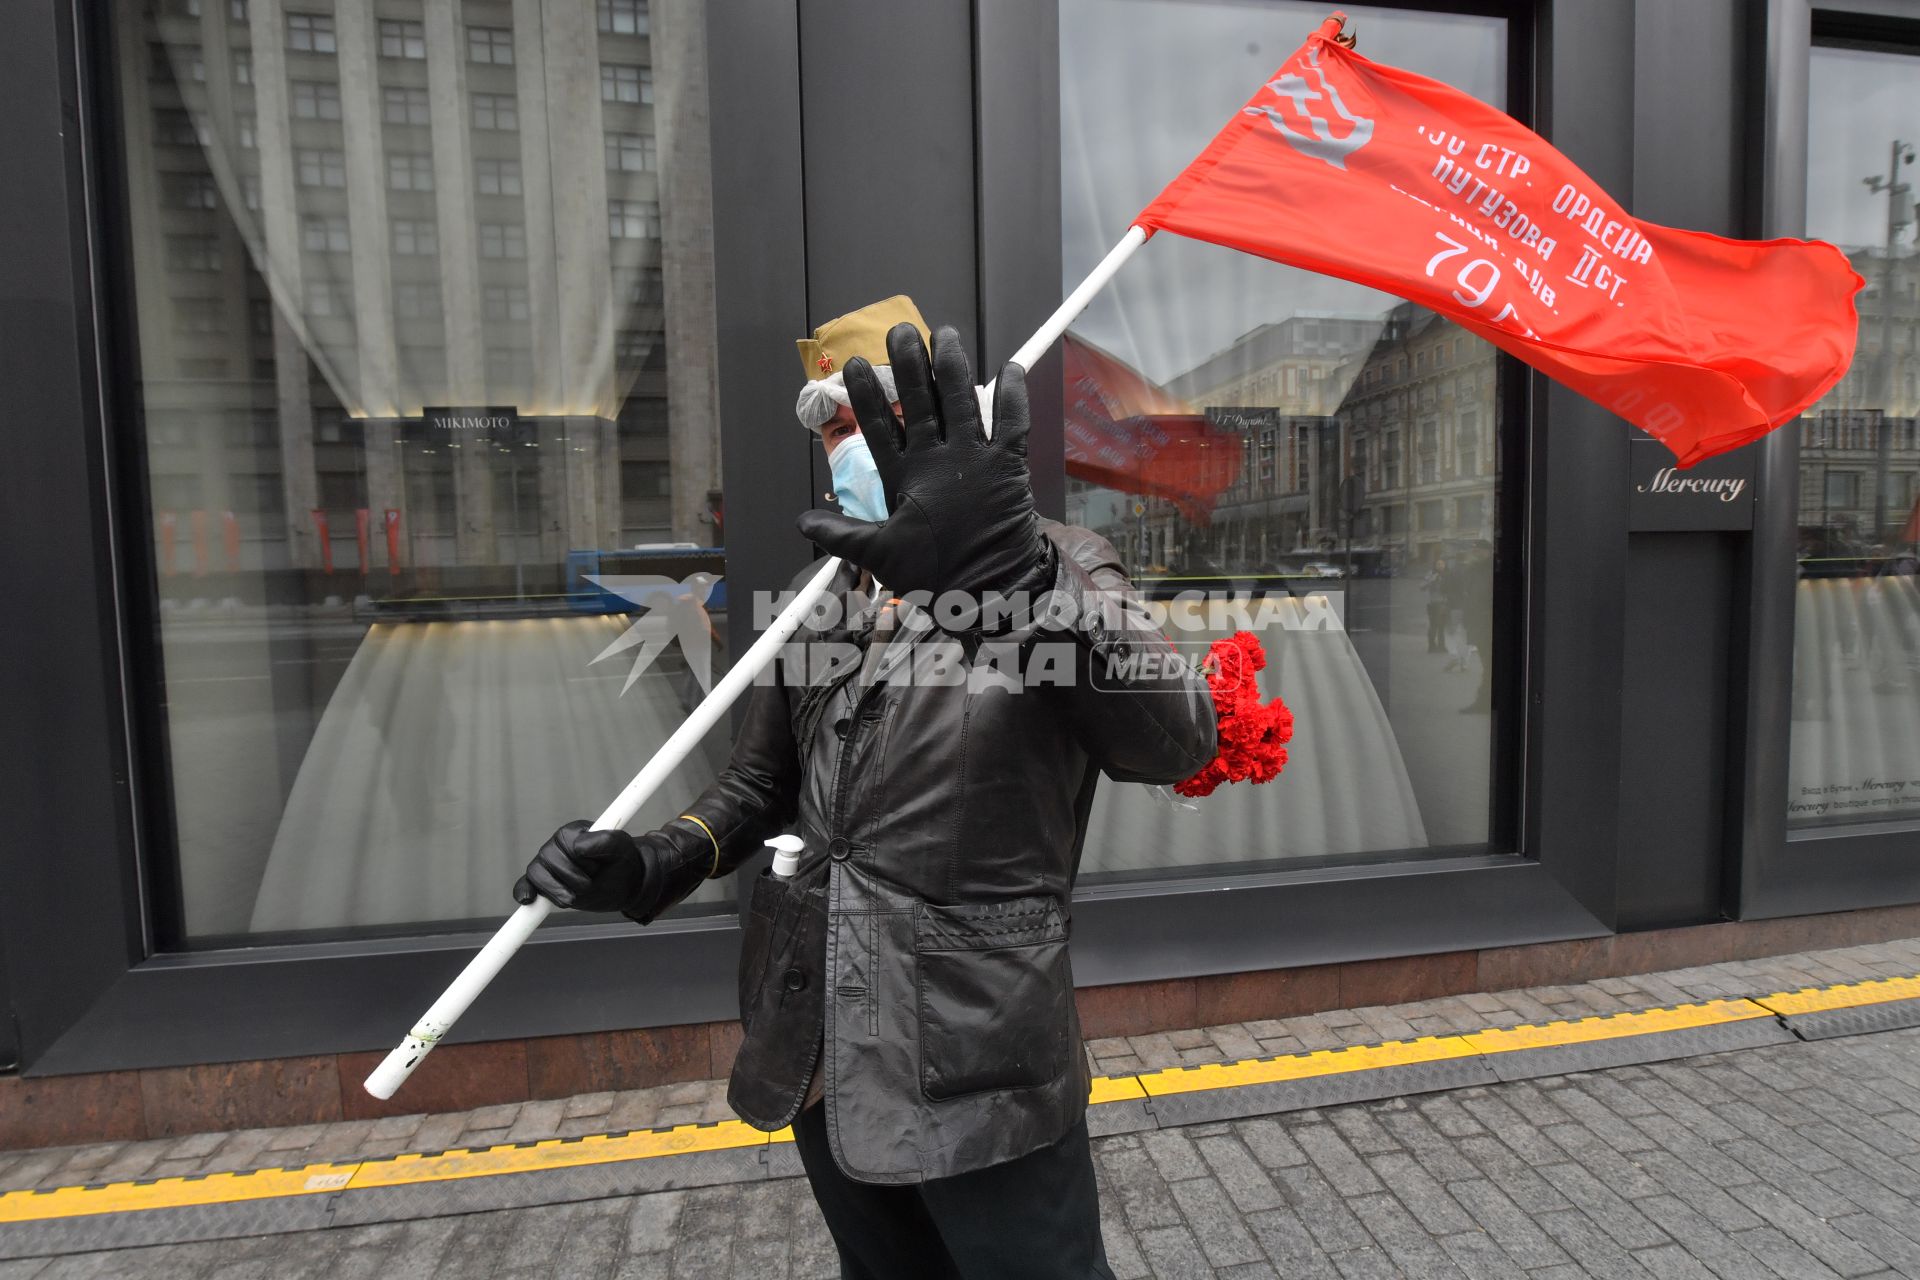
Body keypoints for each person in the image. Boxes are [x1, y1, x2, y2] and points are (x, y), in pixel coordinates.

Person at [514, 296, 1218, 1279]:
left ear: (937, 425)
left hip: (979, 1048)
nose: (853, 444)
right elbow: (759, 787)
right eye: (836, 425)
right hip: (821, 1028)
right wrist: (647, 862)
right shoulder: (823, 595)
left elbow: (1176, 735)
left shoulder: (1056, 563)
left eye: (872, 417)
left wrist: (1017, 583)